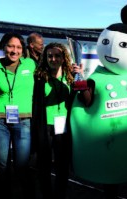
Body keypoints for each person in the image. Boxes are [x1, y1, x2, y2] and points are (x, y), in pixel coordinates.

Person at [0, 32, 36, 199]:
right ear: (3, 47)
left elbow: (51, 71)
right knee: (2, 165)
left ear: (23, 49)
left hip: (23, 121)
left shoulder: (30, 65)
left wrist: (75, 71)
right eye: (10, 46)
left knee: (22, 165)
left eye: (18, 47)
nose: (14, 50)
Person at [32, 42, 82, 199]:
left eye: (57, 56)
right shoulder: (39, 78)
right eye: (49, 56)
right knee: (44, 164)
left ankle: (60, 194)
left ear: (64, 58)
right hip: (45, 125)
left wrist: (81, 76)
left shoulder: (71, 76)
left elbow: (84, 97)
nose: (53, 59)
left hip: (64, 126)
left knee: (62, 164)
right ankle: (47, 194)